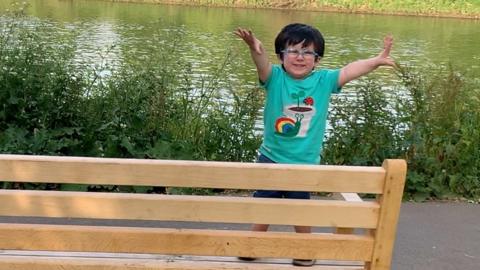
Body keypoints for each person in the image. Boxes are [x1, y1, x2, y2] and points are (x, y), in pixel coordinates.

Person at [234, 23, 395, 267]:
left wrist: (375, 61)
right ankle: (253, 244)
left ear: (317, 59)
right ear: (281, 56)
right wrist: (255, 49)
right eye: (293, 51)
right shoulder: (275, 77)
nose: (300, 57)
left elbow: (351, 70)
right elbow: (262, 64)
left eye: (308, 52)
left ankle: (304, 248)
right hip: (271, 157)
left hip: (304, 160)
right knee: (264, 203)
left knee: (301, 208)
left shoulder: (324, 80)